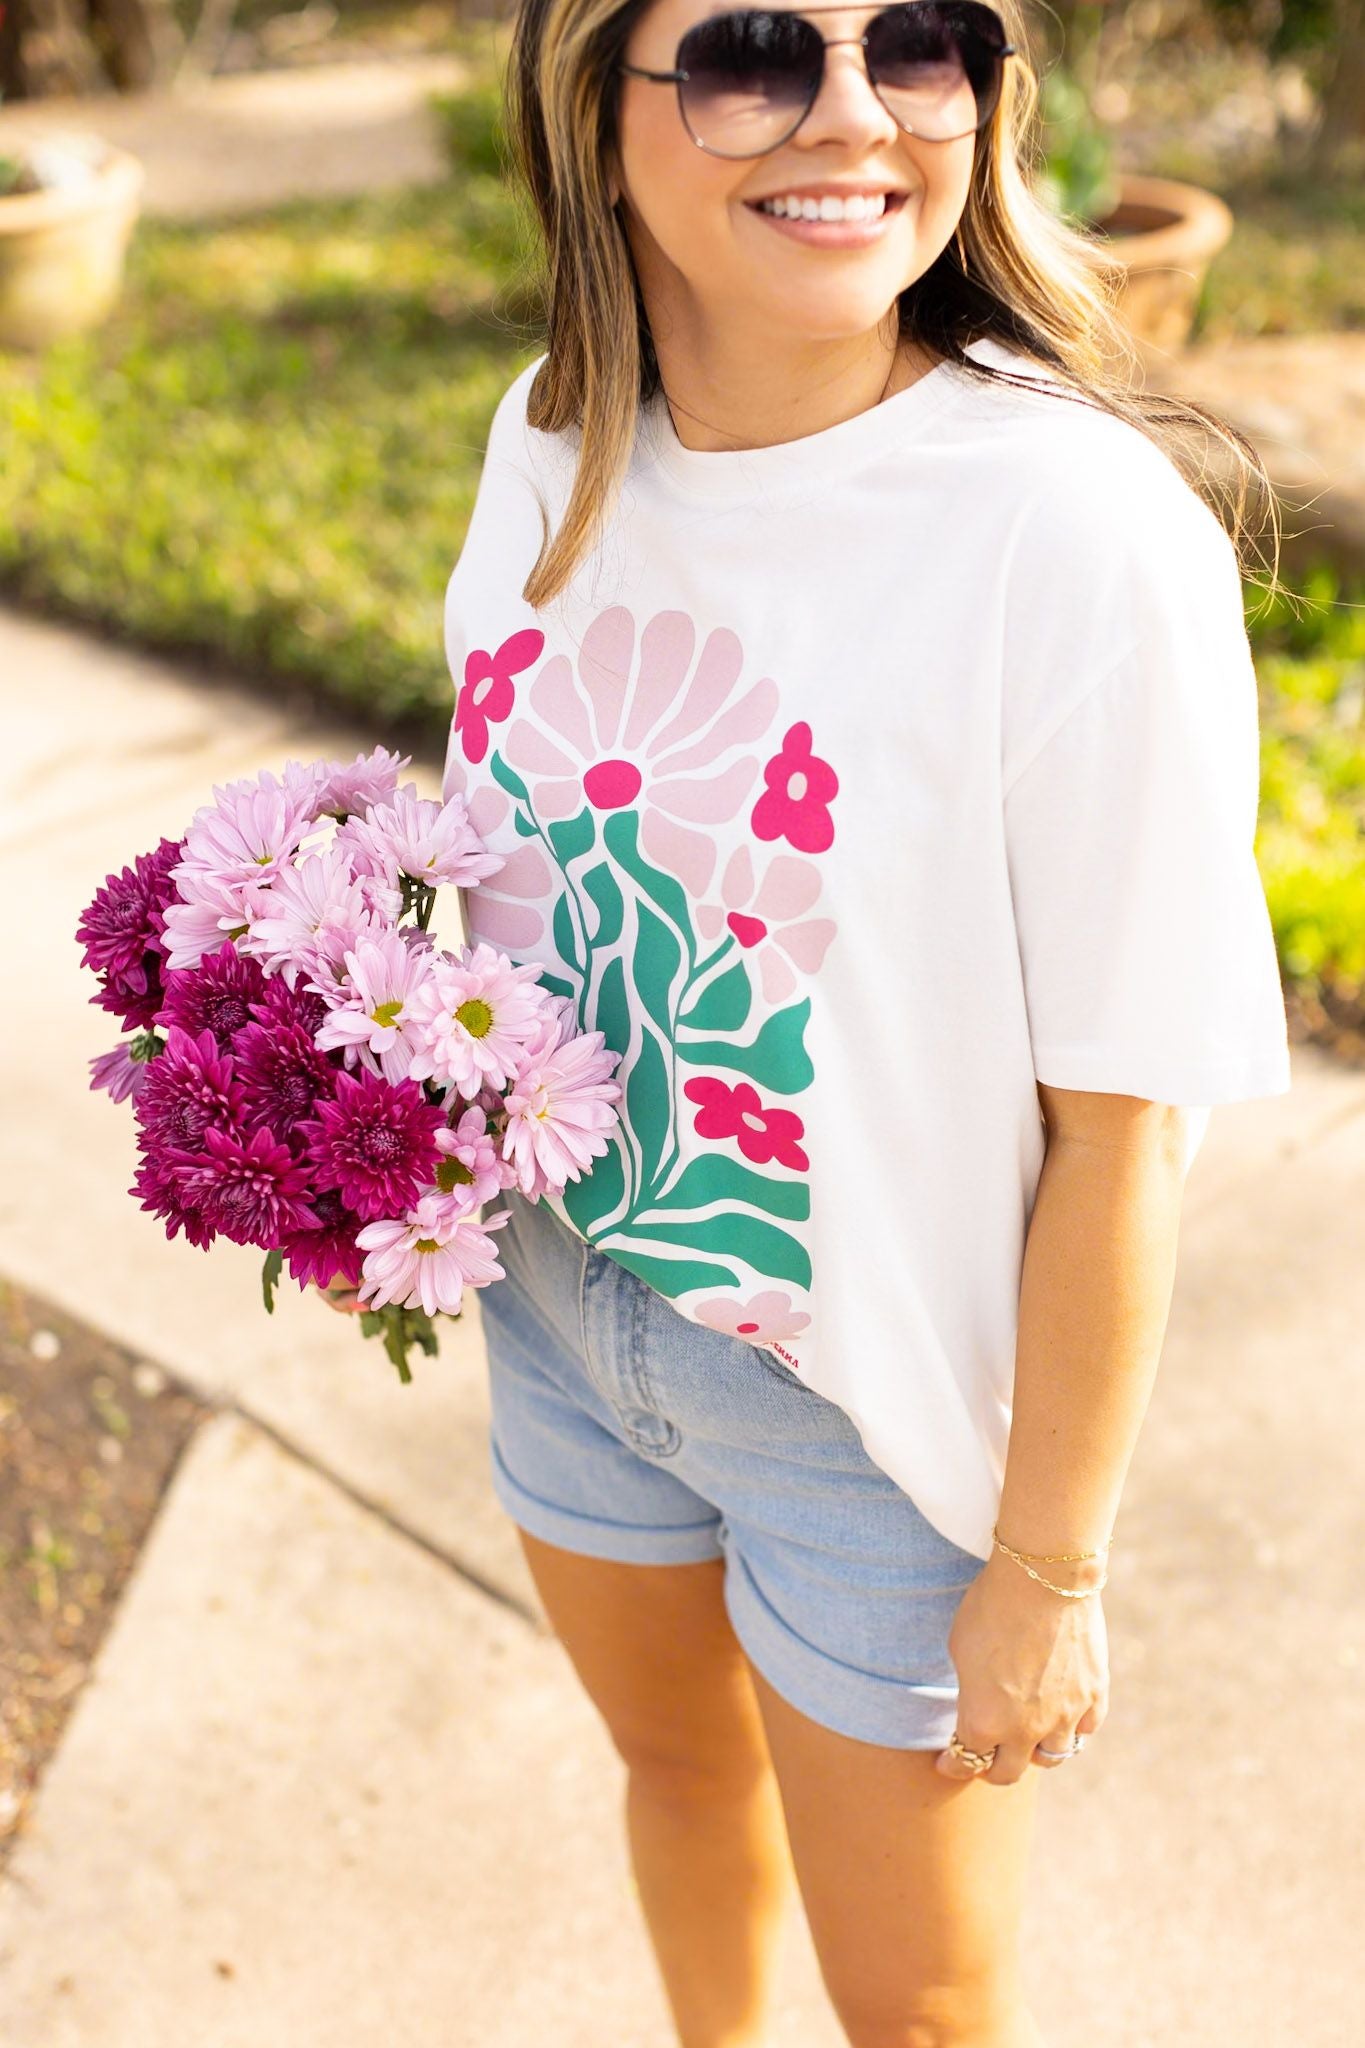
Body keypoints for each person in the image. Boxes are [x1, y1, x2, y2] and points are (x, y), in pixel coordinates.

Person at [322, 4, 1292, 2042]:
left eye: (916, 44)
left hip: (878, 1430)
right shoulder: (546, 440)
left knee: (921, 2012)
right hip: (567, 1311)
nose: (851, 113)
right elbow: (528, 865)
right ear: (598, 124)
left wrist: (1047, 1563)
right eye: (757, 52)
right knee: (673, 1780)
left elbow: (1127, 1125)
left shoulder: (1072, 533)